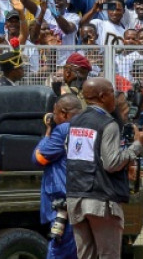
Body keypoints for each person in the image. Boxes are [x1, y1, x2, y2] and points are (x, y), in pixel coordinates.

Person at [66, 78, 143, 258]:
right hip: (101, 202)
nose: (116, 97)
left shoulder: (75, 122)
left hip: (76, 198)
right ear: (103, 96)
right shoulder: (107, 124)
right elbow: (111, 164)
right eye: (112, 92)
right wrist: (137, 145)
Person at [33, 94, 83, 259]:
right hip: (81, 199)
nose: (53, 117)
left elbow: (38, 158)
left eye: (55, 114)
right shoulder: (87, 127)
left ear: (64, 113)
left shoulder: (63, 129)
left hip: (62, 202)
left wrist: (48, 132)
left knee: (58, 253)